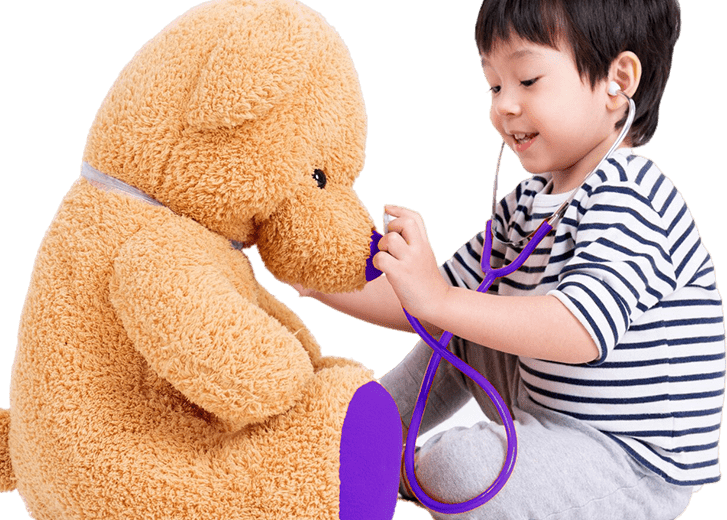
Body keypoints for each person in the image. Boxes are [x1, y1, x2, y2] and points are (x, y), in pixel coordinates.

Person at [291, 0, 724, 518]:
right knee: (458, 327)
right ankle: (360, 430)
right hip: (547, 425)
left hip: (629, 466)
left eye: (528, 80)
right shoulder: (526, 203)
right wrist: (311, 275)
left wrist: (440, 299)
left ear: (618, 81)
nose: (504, 107)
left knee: (460, 467)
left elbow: (579, 330)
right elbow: (422, 305)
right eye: (494, 87)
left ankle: (396, 468)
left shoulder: (632, 195)